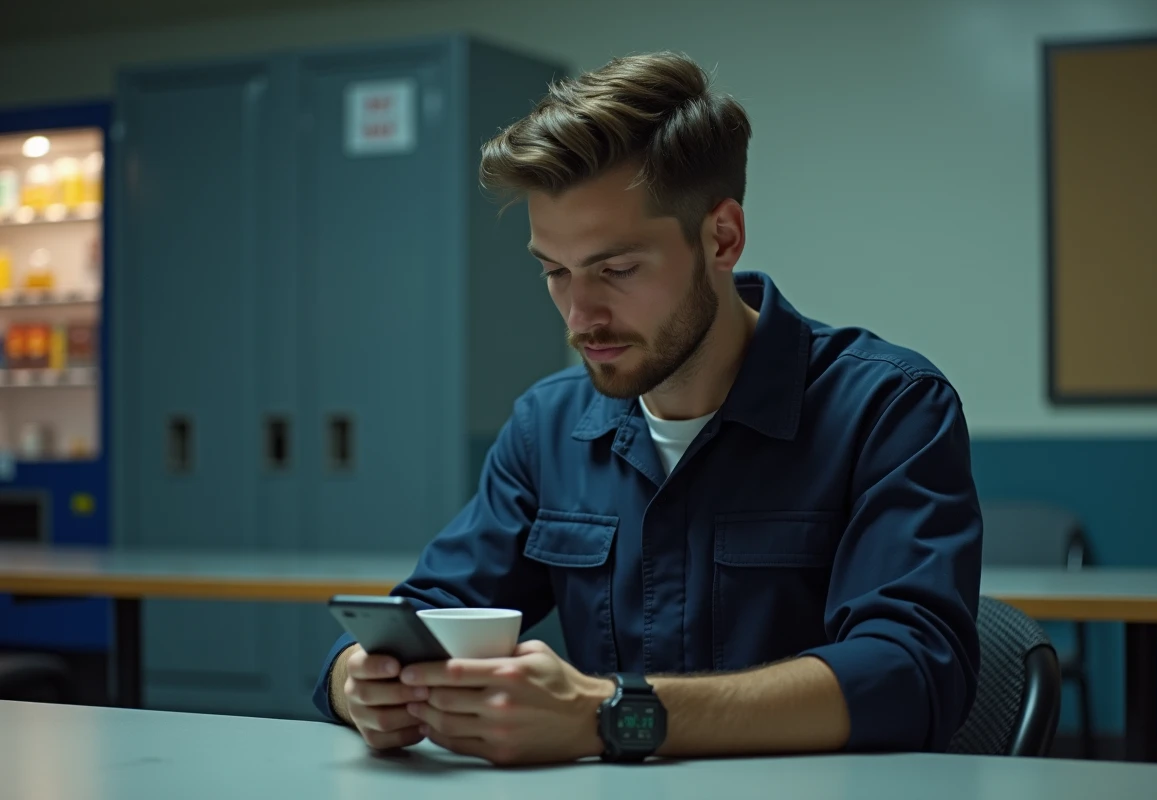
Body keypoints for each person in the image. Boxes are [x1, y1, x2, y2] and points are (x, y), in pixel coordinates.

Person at [312, 50, 982, 766]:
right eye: (555, 273)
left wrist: (612, 716)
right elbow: (424, 609)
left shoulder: (889, 407)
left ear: (721, 237)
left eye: (617, 269)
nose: (580, 316)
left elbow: (911, 674)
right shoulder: (548, 426)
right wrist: (359, 681)